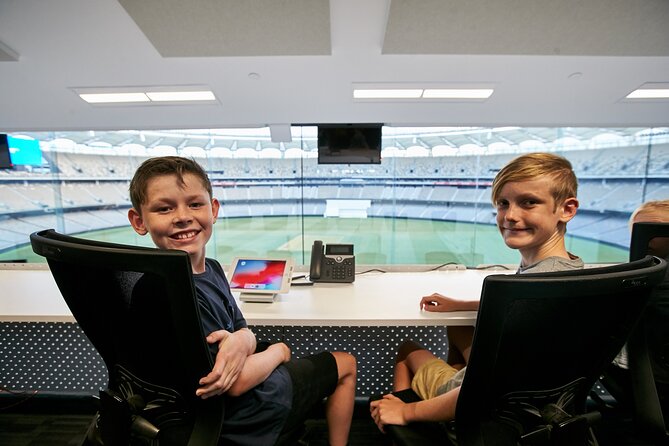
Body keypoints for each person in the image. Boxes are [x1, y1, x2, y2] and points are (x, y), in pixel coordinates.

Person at [126, 156, 356, 446]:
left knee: (267, 348)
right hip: (241, 413)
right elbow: (233, 383)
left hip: (196, 414)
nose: (182, 216)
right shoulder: (175, 292)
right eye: (164, 208)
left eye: (194, 204)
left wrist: (244, 339)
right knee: (344, 363)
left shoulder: (211, 268)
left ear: (214, 209)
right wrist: (281, 351)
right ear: (139, 221)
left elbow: (239, 329)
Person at [370, 152, 583, 431]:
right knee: (458, 329)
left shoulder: (535, 292)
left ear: (566, 210)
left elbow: (485, 388)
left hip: (480, 400)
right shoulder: (564, 271)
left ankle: (410, 418)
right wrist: (460, 304)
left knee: (408, 350)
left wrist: (407, 411)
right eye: (503, 204)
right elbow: (523, 315)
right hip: (535, 398)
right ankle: (449, 396)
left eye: (528, 203)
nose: (509, 216)